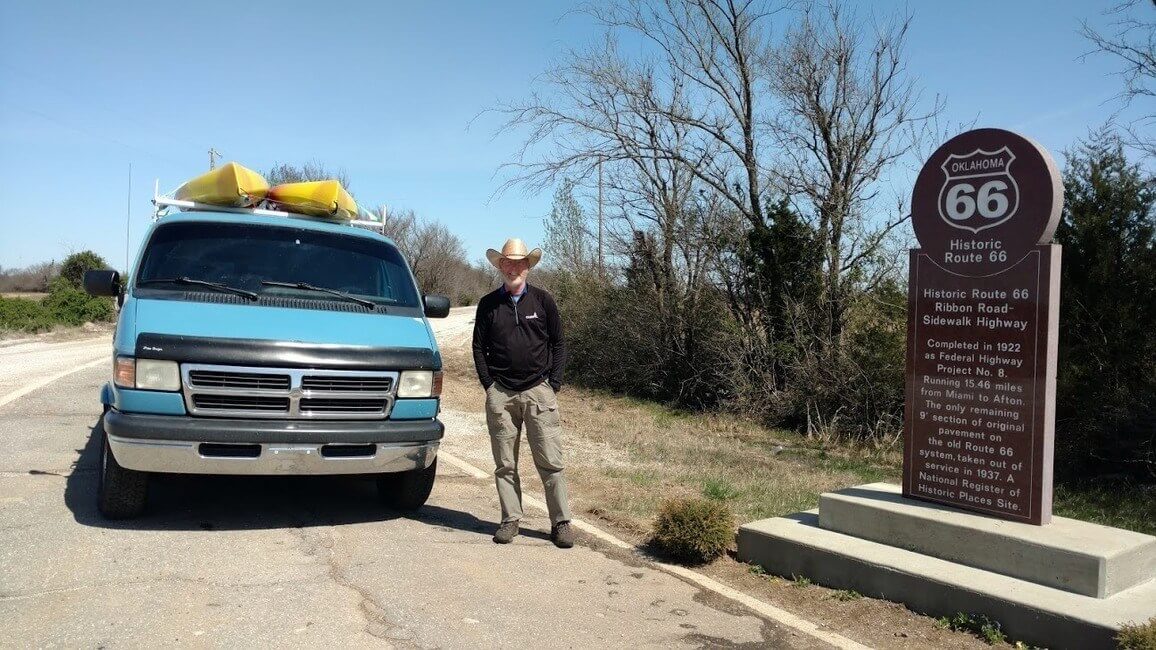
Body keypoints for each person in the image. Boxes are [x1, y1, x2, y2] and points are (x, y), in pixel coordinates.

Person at [472, 238, 574, 548]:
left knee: (550, 461)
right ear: (500, 266)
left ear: (528, 267)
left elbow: (558, 343)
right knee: (505, 464)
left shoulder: (543, 301)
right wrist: (489, 385)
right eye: (507, 262)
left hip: (538, 392)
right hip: (501, 394)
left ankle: (561, 522)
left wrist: (553, 383)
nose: (513, 267)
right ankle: (510, 519)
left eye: (519, 263)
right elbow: (478, 346)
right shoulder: (488, 304)